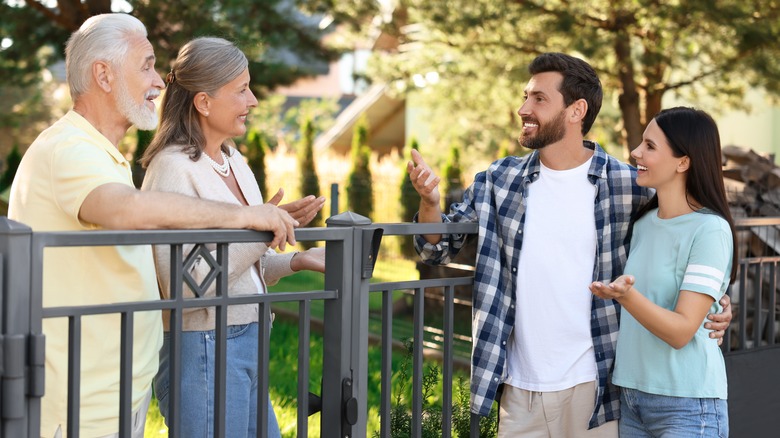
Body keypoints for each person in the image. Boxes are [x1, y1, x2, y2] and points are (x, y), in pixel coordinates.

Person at [7, 13, 319, 438]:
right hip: (78, 400)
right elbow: (128, 215)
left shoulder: (105, 159)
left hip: (116, 392)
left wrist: (292, 257)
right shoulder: (70, 150)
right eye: (147, 65)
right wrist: (248, 220)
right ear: (103, 74)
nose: (160, 80)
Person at [406, 52, 732, 437]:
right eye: (526, 96)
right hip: (518, 386)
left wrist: (719, 304)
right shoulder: (498, 180)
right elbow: (436, 248)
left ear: (577, 110)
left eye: (539, 99)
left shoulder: (628, 185)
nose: (523, 108)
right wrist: (429, 202)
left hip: (597, 387)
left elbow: (690, 241)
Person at [139, 36, 326, 438]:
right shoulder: (172, 169)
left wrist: (294, 258)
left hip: (249, 338)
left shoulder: (234, 162)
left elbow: (240, 267)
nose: (253, 100)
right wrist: (262, 229)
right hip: (202, 344)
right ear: (203, 102)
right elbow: (185, 286)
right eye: (241, 89)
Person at [589, 107, 734, 437]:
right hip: (632, 398)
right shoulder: (643, 224)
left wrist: (626, 297)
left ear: (683, 162)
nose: (636, 152)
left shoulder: (710, 230)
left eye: (650, 146)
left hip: (687, 404)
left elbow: (682, 331)